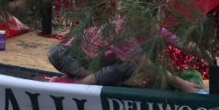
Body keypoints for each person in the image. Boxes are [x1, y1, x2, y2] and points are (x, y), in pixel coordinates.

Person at [47, 17, 208, 91]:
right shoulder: (123, 28)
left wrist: (210, 56)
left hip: (100, 66)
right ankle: (78, 86)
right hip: (75, 56)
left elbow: (182, 43)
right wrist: (182, 84)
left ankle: (85, 80)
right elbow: (146, 64)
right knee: (54, 51)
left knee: (126, 68)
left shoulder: (154, 28)